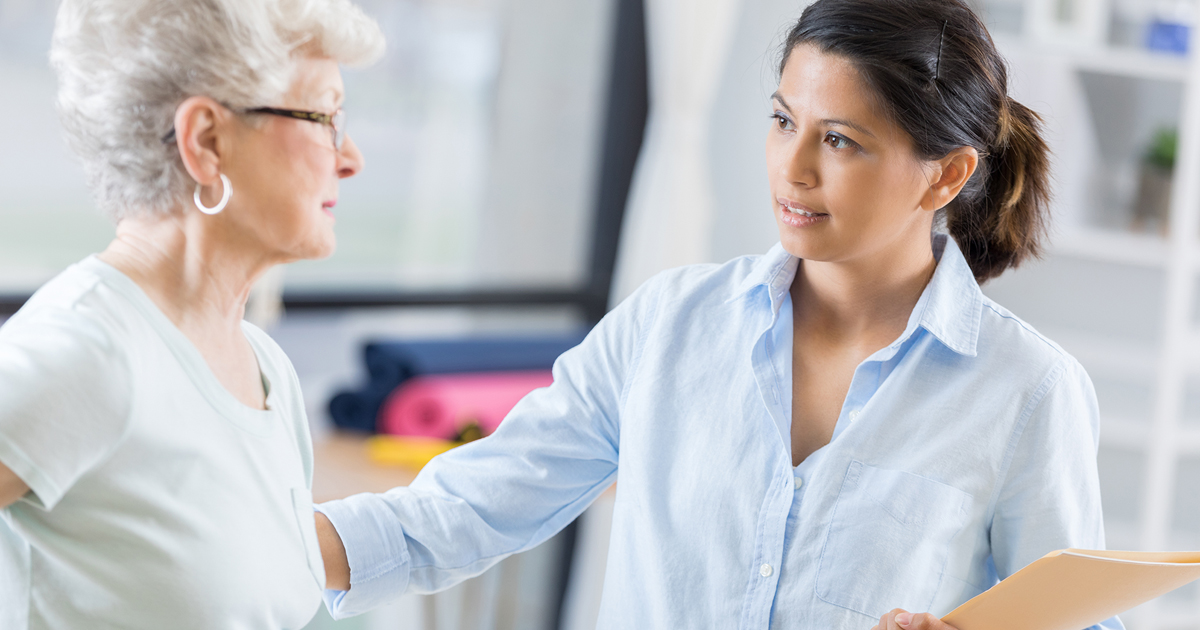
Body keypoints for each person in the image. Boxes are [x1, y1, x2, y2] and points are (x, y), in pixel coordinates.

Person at [312, 0, 1125, 628]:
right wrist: (265, 538)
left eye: (840, 141)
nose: (793, 169)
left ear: (945, 176)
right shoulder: (669, 324)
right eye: (782, 121)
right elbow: (468, 508)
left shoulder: (1026, 393)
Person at [0, 1, 383, 627]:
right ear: (206, 141)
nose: (350, 158)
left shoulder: (265, 371)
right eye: (326, 118)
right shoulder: (88, 349)